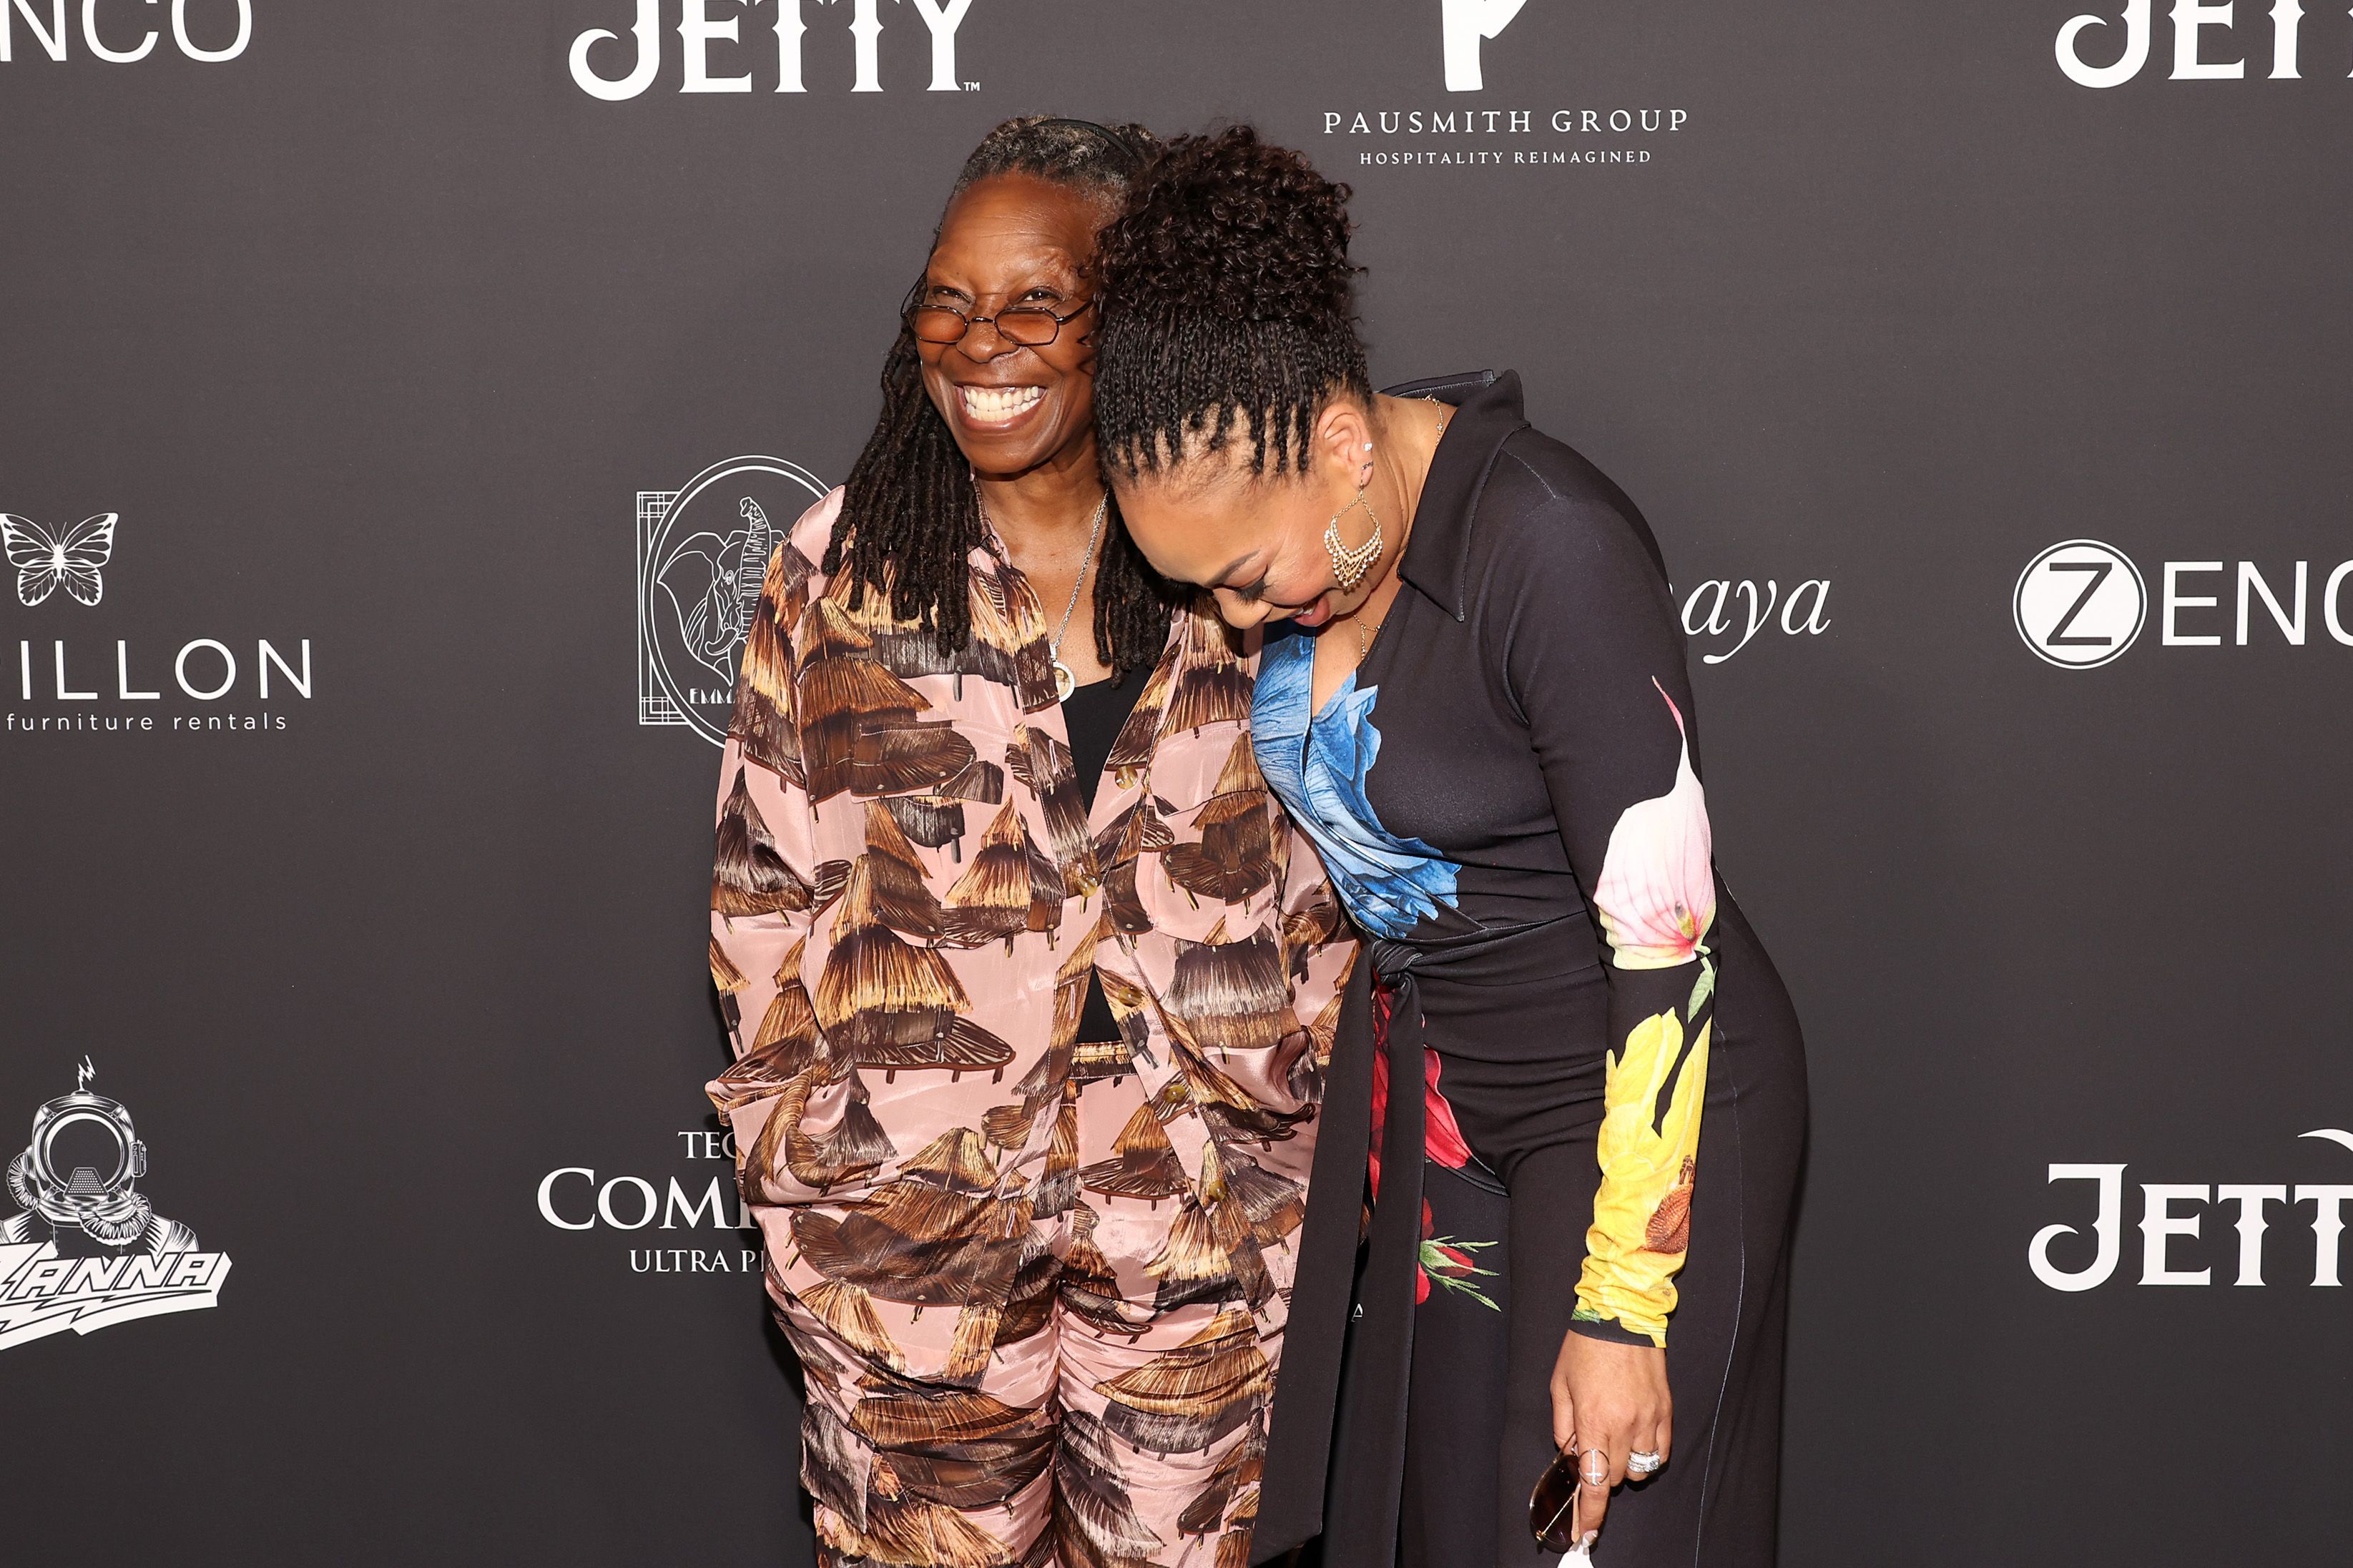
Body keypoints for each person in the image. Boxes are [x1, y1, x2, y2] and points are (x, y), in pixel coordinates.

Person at [1090, 127, 1809, 1567]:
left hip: (1640, 1119)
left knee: (1582, 1546)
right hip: (1451, 1120)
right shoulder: (1320, 545)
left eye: (1244, 576)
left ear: (1345, 444)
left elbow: (1665, 945)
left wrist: (1620, 1303)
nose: (1231, 622)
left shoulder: (1545, 546)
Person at [703, 117, 1358, 1568]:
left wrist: (1300, 1105)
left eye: (1033, 302)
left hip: (1202, 1225)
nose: (976, 340)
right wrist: (811, 1171)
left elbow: (1347, 859)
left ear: (1122, 314)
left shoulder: (1252, 553)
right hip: (910, 1240)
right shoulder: (836, 571)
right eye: (944, 296)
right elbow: (762, 906)